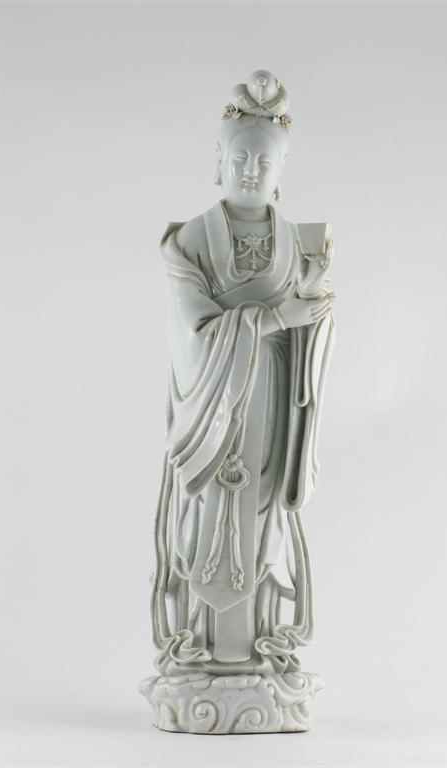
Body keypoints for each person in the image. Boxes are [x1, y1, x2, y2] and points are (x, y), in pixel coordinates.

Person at [150, 70, 335, 677]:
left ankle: (260, 646)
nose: (250, 172)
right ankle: (203, 649)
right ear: (218, 160)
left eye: (263, 162)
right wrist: (276, 316)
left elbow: (309, 329)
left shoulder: (298, 244)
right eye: (239, 159)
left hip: (273, 403)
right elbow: (193, 335)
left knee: (264, 512)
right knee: (210, 514)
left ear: (281, 171)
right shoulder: (188, 244)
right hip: (214, 411)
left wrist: (313, 310)